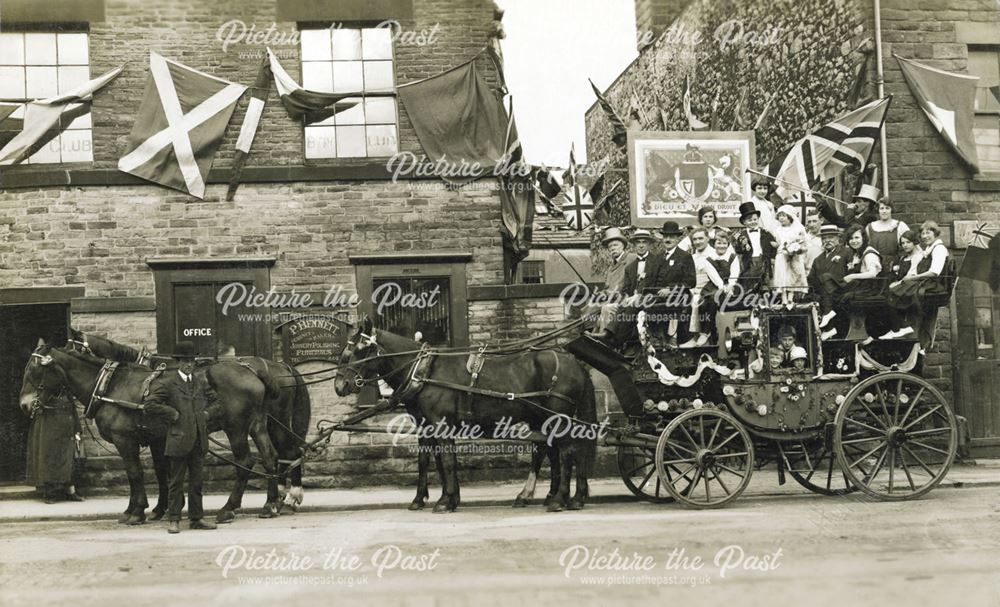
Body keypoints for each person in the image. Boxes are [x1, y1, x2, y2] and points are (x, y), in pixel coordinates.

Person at [145, 341, 216, 533]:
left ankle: (197, 518)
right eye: (185, 360)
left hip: (199, 439)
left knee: (197, 482)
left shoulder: (200, 382)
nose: (189, 364)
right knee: (175, 482)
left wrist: (206, 414)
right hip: (178, 439)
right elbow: (150, 404)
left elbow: (217, 402)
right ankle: (174, 519)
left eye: (192, 360)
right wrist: (172, 414)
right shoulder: (167, 383)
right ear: (177, 362)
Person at [593, 221, 696, 348]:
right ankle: (609, 335)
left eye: (672, 237)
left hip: (677, 297)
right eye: (666, 236)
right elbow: (652, 281)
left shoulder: (684, 256)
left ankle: (616, 340)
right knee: (628, 304)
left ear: (677, 238)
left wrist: (670, 289)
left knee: (636, 303)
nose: (668, 239)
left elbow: (691, 282)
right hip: (658, 296)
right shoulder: (659, 257)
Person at [885, 221, 951, 339]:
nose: (925, 236)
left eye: (928, 233)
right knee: (897, 290)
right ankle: (902, 327)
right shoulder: (930, 248)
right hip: (927, 281)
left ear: (935, 233)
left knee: (897, 291)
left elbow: (934, 272)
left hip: (932, 283)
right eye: (923, 234)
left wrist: (912, 277)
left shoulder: (939, 249)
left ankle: (902, 327)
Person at [825, 224, 882, 339]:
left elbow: (872, 274)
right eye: (851, 238)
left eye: (857, 238)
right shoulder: (857, 253)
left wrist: (852, 276)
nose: (853, 241)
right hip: (861, 285)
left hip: (871, 287)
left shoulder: (869, 253)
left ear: (863, 238)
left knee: (842, 295)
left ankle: (836, 327)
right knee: (830, 284)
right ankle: (831, 323)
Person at [26, 390, 84, 504]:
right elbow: (36, 410)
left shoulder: (67, 393)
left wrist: (77, 430)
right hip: (49, 431)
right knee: (50, 460)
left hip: (66, 432)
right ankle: (50, 493)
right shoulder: (43, 395)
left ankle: (71, 492)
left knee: (69, 461)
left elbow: (73, 411)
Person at [683, 227, 727, 347]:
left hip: (712, 288)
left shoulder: (715, 254)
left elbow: (721, 275)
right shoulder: (691, 257)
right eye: (695, 239)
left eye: (701, 238)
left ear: (707, 238)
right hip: (694, 289)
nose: (698, 242)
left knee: (707, 300)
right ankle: (690, 337)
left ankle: (705, 333)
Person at [809, 224, 852, 340]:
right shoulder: (818, 259)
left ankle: (828, 321)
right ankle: (828, 327)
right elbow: (811, 279)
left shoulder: (846, 252)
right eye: (824, 238)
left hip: (842, 289)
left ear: (838, 239)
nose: (827, 240)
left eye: (831, 237)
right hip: (825, 295)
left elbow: (852, 272)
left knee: (826, 277)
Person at [879, 230, 922, 340]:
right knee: (885, 293)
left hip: (912, 284)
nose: (905, 245)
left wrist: (897, 283)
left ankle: (901, 327)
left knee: (888, 296)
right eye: (903, 243)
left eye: (908, 242)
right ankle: (897, 328)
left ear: (914, 242)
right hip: (904, 283)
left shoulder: (918, 256)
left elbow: (911, 274)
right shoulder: (903, 257)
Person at [593, 227, 636, 332]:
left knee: (605, 309)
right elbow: (608, 287)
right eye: (610, 247)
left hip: (625, 299)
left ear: (623, 246)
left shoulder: (632, 258)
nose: (612, 248)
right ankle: (590, 334)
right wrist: (601, 294)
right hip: (611, 299)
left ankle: (604, 338)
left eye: (615, 245)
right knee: (589, 308)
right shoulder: (611, 267)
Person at [732, 201, 777, 299]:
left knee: (765, 283)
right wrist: (742, 245)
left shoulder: (766, 233)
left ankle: (765, 301)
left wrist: (772, 257)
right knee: (750, 283)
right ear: (744, 222)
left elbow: (773, 246)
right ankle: (750, 301)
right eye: (749, 220)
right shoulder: (741, 235)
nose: (752, 222)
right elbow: (738, 250)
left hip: (764, 260)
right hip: (750, 262)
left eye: (754, 219)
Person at [772, 204, 809, 304]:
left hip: (795, 256)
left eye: (784, 215)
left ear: (790, 216)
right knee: (783, 276)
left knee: (793, 275)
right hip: (782, 255)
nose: (781, 218)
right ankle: (783, 298)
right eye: (779, 216)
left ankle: (790, 297)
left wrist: (796, 249)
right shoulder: (777, 230)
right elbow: (777, 242)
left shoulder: (798, 229)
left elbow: (803, 243)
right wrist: (776, 245)